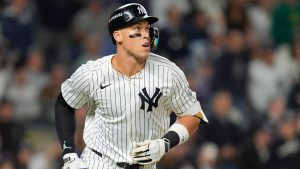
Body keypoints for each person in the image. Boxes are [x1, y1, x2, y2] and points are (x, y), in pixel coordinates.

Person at [55, 3, 208, 169]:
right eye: (137, 28)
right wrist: (69, 154)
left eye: (148, 28)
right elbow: (64, 104)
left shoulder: (169, 72)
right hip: (99, 162)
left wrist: (164, 143)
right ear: (118, 36)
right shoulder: (93, 72)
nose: (146, 35)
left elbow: (194, 115)